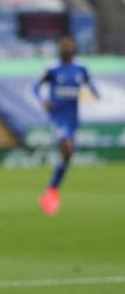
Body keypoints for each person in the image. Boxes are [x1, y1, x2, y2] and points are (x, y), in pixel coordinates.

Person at [33, 33, 100, 215]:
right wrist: (43, 100)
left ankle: (51, 191)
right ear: (60, 48)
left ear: (74, 47)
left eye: (69, 45)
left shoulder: (81, 68)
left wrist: (95, 92)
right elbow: (35, 87)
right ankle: (51, 191)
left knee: (67, 156)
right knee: (67, 147)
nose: (67, 48)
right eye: (64, 45)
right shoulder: (52, 68)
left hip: (73, 118)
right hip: (58, 117)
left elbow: (90, 83)